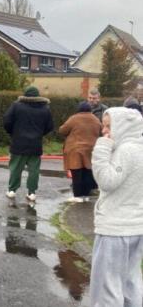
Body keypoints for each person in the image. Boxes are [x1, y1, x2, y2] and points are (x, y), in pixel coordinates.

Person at [89, 107, 143, 306]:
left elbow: (107, 181)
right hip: (136, 227)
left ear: (124, 127)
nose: (105, 131)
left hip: (115, 229)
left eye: (109, 126)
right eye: (103, 127)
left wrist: (102, 148)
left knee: (107, 286)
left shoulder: (126, 150)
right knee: (130, 281)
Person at [3, 86, 54, 202]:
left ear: (25, 94)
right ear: (38, 96)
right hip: (35, 144)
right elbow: (49, 127)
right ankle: (31, 192)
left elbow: (7, 121)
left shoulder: (16, 106)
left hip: (18, 143)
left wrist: (12, 132)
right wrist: (40, 133)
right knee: (34, 170)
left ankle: (12, 190)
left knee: (16, 167)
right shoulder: (45, 109)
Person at [58, 102, 101, 203]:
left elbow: (62, 130)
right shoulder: (95, 119)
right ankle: (85, 195)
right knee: (87, 172)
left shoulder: (74, 118)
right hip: (91, 149)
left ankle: (77, 196)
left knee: (77, 172)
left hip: (75, 149)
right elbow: (101, 130)